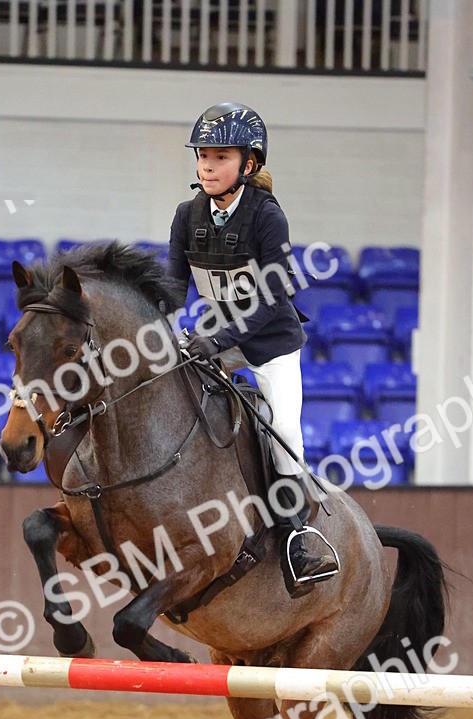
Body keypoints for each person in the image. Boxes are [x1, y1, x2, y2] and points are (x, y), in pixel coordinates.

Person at [168, 101, 339, 597]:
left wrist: (217, 340)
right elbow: (171, 288)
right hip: (217, 339)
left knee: (284, 428)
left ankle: (296, 538)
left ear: (248, 164)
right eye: (202, 156)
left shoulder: (267, 217)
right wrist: (156, 330)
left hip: (270, 344)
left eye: (219, 157)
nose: (206, 165)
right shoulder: (187, 215)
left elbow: (272, 297)